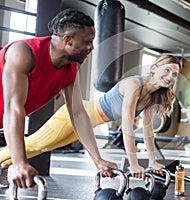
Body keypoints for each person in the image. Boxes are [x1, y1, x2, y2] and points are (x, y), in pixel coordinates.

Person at [0, 55, 180, 186]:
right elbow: (127, 127)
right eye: (167, 70)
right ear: (155, 67)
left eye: (174, 75)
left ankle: (4, 166)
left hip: (86, 123)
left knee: (44, 147)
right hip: (74, 116)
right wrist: (133, 163)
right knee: (34, 144)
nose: (170, 77)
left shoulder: (151, 97)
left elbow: (148, 132)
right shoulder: (134, 85)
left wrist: (153, 161)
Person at [0, 8, 117, 189]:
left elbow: (78, 114)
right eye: (88, 41)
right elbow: (13, 107)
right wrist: (19, 162)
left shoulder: (70, 68)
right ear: (68, 40)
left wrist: (97, 159)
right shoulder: (23, 53)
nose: (92, 48)